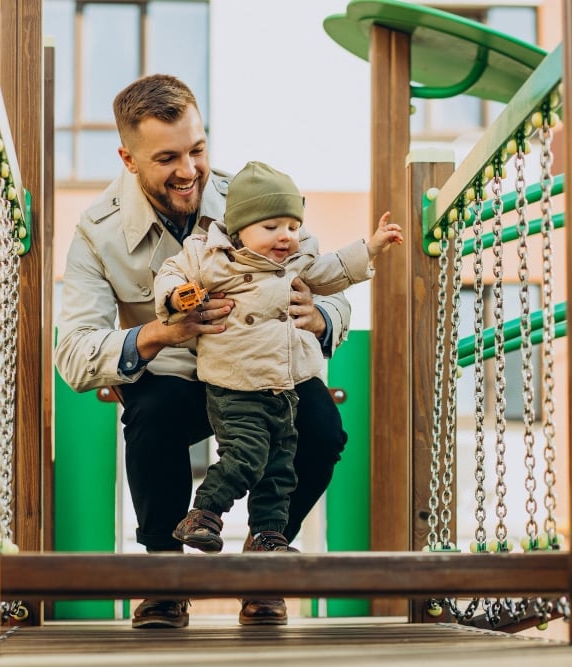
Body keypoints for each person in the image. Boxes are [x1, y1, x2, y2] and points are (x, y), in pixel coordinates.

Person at [53, 74, 352, 628]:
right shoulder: (98, 232)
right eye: (167, 158)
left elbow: (332, 283)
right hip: (177, 381)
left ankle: (266, 559)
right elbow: (72, 351)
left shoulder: (254, 199)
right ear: (128, 158)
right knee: (153, 414)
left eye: (197, 149)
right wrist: (160, 334)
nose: (189, 170)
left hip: (261, 369)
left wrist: (323, 316)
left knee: (321, 427)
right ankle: (165, 580)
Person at [155, 161, 402, 559]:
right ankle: (203, 513)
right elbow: (172, 272)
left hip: (284, 386)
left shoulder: (298, 259)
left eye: (291, 225)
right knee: (247, 454)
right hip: (235, 384)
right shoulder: (211, 256)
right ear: (238, 229)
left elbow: (334, 270)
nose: (285, 236)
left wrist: (369, 248)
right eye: (271, 228)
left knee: (280, 470)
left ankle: (269, 537)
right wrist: (176, 295)